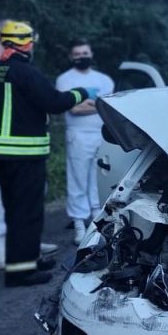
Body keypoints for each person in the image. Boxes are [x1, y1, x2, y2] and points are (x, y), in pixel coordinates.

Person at [0, 20, 90, 287]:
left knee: (14, 211)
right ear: (26, 43)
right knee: (27, 212)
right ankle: (20, 273)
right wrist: (79, 93)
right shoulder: (26, 73)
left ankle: (28, 259)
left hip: (0, 154)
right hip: (23, 154)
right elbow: (54, 102)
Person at [0, 20, 57, 269]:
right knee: (8, 202)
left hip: (12, 147)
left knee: (24, 205)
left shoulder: (2, 67)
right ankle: (5, 252)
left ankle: (25, 250)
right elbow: (41, 101)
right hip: (17, 148)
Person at [56, 39, 115, 243]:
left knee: (98, 179)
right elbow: (73, 108)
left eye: (85, 53)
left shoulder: (104, 79)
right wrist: (96, 104)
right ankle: (79, 224)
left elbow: (107, 105)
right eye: (78, 54)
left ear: (91, 54)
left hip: (100, 134)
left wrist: (87, 103)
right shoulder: (65, 80)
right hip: (77, 136)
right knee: (78, 179)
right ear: (72, 57)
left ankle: (96, 222)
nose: (82, 57)